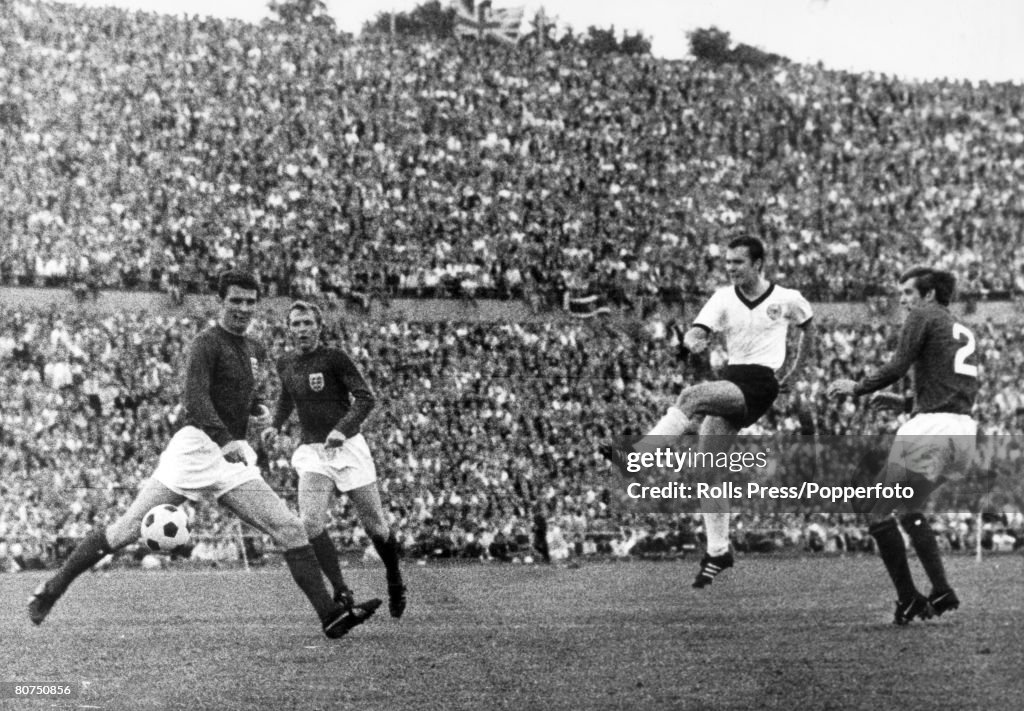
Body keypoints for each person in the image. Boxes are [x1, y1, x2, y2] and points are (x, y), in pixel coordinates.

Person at [29, 270, 380, 638]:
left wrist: (256, 408)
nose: (243, 308)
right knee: (125, 530)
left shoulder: (253, 348)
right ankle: (52, 590)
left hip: (231, 458)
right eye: (236, 301)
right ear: (221, 302)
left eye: (249, 301)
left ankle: (330, 615)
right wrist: (225, 440)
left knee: (290, 527)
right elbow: (195, 398)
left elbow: (237, 392)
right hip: (196, 448)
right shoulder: (206, 343)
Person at [605, 236, 814, 588]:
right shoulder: (723, 297)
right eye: (728, 262)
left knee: (690, 395)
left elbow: (808, 326)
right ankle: (719, 551)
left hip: (761, 383)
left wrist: (795, 372)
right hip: (733, 380)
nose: (731, 268)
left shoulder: (786, 298)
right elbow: (699, 328)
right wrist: (692, 339)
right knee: (706, 470)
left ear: (759, 263)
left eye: (738, 262)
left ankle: (637, 457)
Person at [827, 267, 978, 625]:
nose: (902, 299)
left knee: (869, 503)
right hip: (961, 433)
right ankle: (940, 590)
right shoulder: (958, 327)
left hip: (931, 429)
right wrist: (904, 403)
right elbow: (952, 392)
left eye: (908, 292)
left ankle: (910, 598)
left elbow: (898, 364)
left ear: (927, 295)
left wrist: (858, 386)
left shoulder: (924, 315)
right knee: (908, 509)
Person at [261, 301, 406, 619]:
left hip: (349, 447)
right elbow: (287, 396)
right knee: (310, 523)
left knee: (376, 527)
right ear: (289, 328)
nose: (302, 329)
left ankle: (394, 579)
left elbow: (366, 398)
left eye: (307, 323)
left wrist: (342, 429)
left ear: (319, 326)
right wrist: (275, 424)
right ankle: (342, 590)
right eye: (296, 324)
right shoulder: (285, 363)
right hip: (313, 451)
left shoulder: (334, 358)